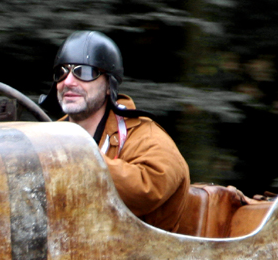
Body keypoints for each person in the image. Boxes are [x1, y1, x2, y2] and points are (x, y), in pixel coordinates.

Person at [54, 30, 190, 233]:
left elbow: (149, 189)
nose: (68, 82)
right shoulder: (50, 135)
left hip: (139, 257)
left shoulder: (147, 136)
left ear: (109, 86)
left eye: (85, 72)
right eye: (62, 72)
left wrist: (83, 157)